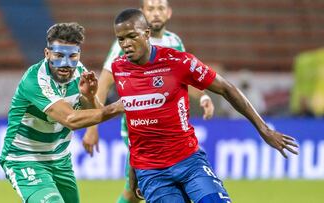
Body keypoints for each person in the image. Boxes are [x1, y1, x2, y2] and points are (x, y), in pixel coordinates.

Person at [111, 9, 299, 203]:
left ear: (147, 33)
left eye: (132, 36)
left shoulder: (178, 62)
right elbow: (136, 125)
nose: (126, 45)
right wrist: (134, 174)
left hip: (189, 162)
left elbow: (227, 89)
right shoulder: (119, 69)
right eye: (121, 39)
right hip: (152, 172)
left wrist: (264, 129)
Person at [83, 1, 214, 202]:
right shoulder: (126, 43)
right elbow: (105, 82)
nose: (156, 14)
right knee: (134, 189)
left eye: (160, 8)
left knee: (139, 192)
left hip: (172, 130)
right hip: (139, 131)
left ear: (168, 13)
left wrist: (203, 96)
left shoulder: (174, 41)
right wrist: (92, 128)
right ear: (143, 13)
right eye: (151, 9)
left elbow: (186, 76)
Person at [0, 22, 123, 203]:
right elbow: (71, 119)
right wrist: (118, 107)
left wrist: (89, 97)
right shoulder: (35, 80)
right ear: (47, 53)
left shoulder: (80, 72)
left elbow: (95, 113)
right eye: (58, 55)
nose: (65, 63)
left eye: (72, 56)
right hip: (24, 158)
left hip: (60, 159)